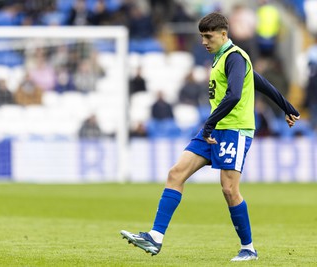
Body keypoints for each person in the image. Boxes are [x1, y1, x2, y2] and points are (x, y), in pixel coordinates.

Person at [121, 12, 300, 262]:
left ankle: (248, 248)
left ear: (223, 34)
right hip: (215, 128)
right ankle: (155, 237)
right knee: (176, 173)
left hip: (234, 130)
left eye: (208, 36)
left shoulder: (234, 57)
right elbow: (260, 82)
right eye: (201, 37)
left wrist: (209, 124)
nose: (204, 41)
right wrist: (287, 106)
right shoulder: (222, 58)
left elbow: (236, 94)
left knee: (229, 189)